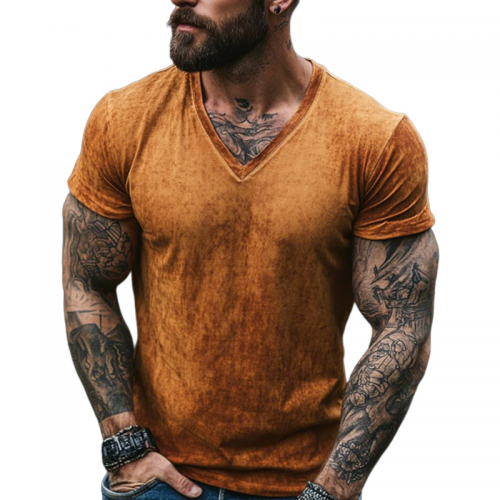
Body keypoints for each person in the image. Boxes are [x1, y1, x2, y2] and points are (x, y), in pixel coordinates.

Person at [62, 1, 439, 499]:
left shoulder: (373, 140)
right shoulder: (125, 119)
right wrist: (124, 446)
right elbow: (87, 280)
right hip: (159, 482)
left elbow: (403, 325)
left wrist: (334, 487)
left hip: (303, 485)